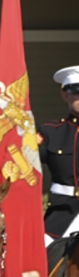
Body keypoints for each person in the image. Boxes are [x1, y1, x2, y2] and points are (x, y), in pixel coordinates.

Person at [39, 65, 79, 245]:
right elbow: (25, 168)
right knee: (41, 255)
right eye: (77, 92)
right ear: (65, 95)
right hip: (62, 214)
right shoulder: (51, 132)